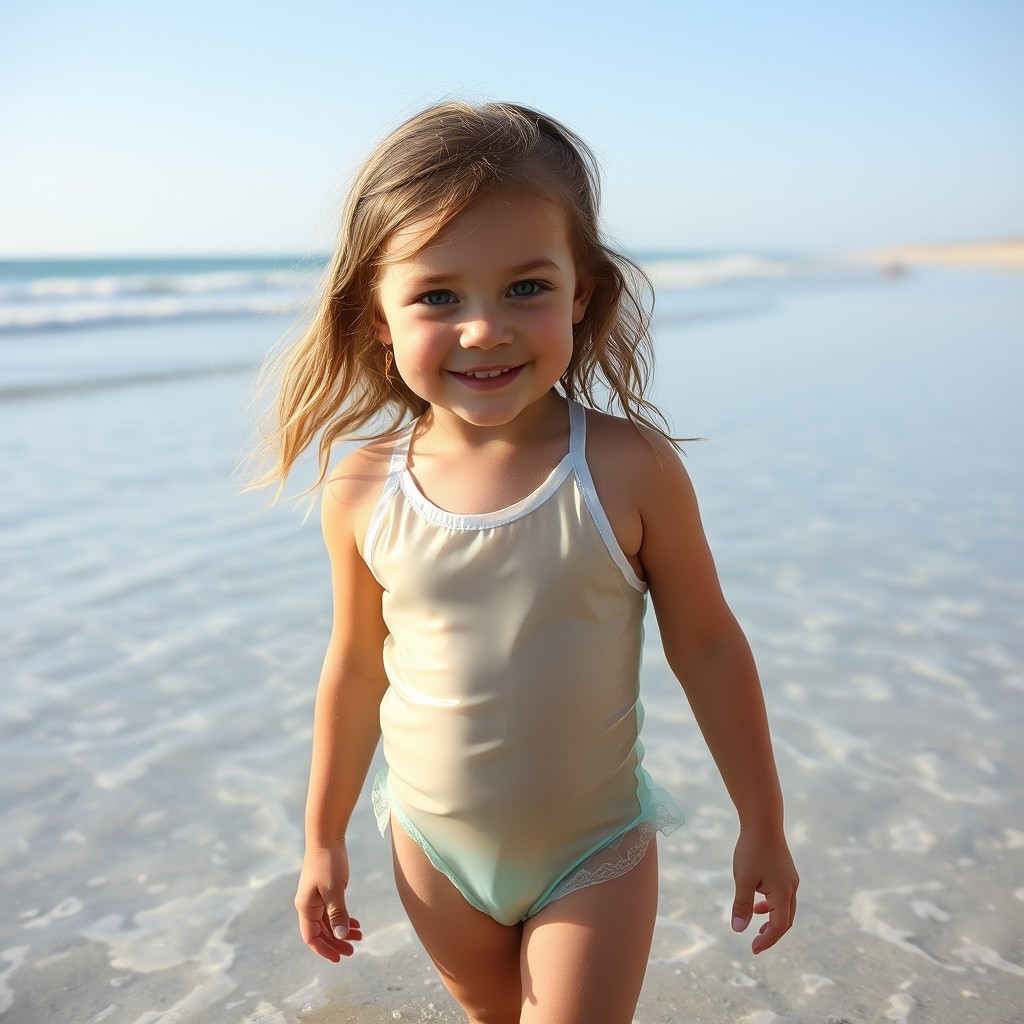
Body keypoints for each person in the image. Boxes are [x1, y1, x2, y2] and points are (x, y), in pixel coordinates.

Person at [255, 100, 798, 1024]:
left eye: (525, 288)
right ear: (376, 316)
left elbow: (708, 645)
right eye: (437, 296)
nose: (484, 329)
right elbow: (354, 667)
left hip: (593, 849)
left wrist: (765, 824)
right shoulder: (364, 487)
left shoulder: (628, 469)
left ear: (580, 294)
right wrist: (321, 839)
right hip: (433, 848)